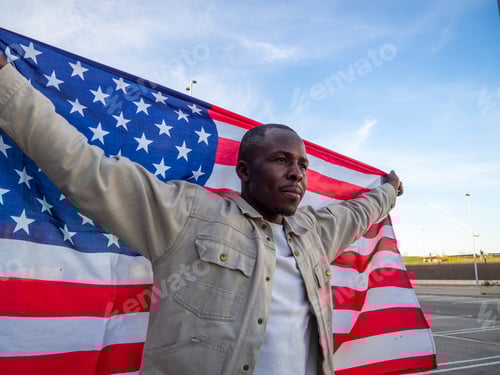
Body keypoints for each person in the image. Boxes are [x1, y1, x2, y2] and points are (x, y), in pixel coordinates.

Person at [0, 53, 402, 375]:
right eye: (281, 160)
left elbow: (359, 212)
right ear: (244, 170)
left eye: (302, 164)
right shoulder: (188, 213)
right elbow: (85, 168)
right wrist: (6, 83)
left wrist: (388, 191)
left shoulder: (314, 231)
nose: (297, 172)